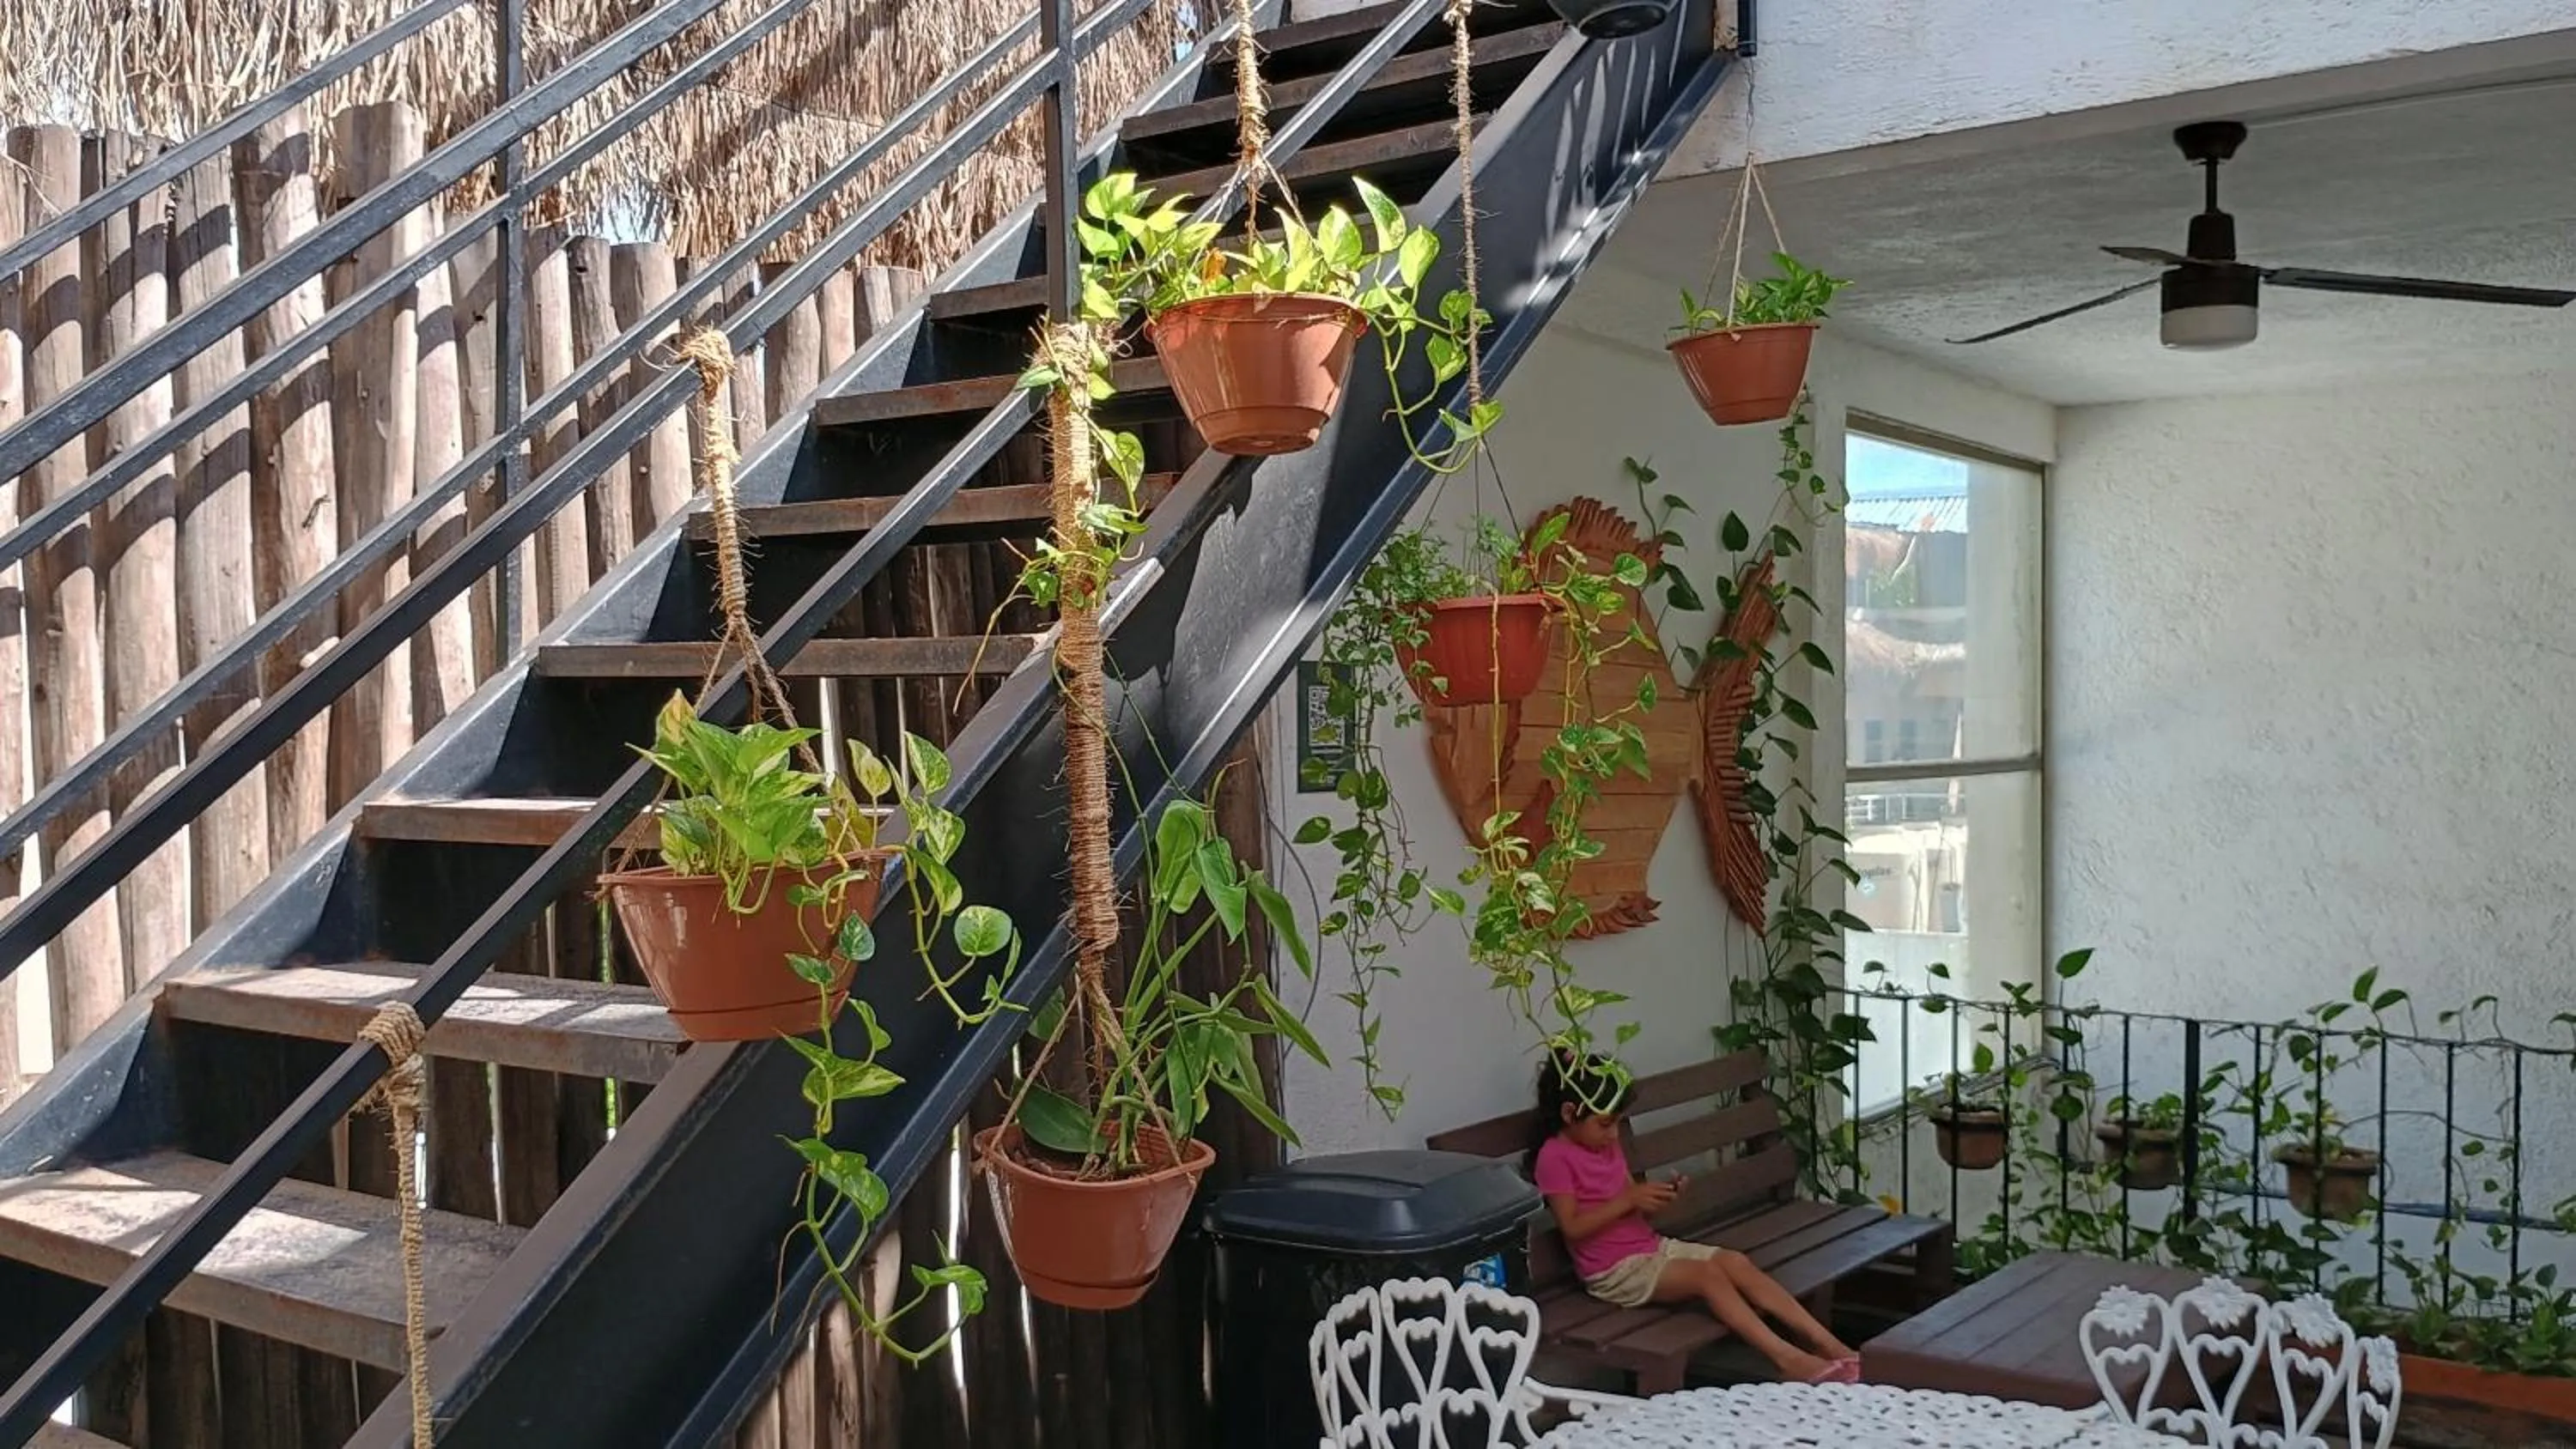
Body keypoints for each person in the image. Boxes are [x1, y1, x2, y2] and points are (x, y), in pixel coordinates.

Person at [1528, 1052, 1860, 1384]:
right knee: (1706, 1276)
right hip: (1614, 1271)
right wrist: (1629, 1199)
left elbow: (1630, 1201)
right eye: (1605, 1124)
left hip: (1650, 1247)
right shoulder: (1554, 1158)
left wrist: (1656, 1196)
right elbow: (1572, 1227)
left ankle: (1830, 1345)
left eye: (1617, 1122)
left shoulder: (1605, 1145)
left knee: (1735, 1262)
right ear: (1569, 1113)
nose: (1614, 1134)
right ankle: (1788, 1359)